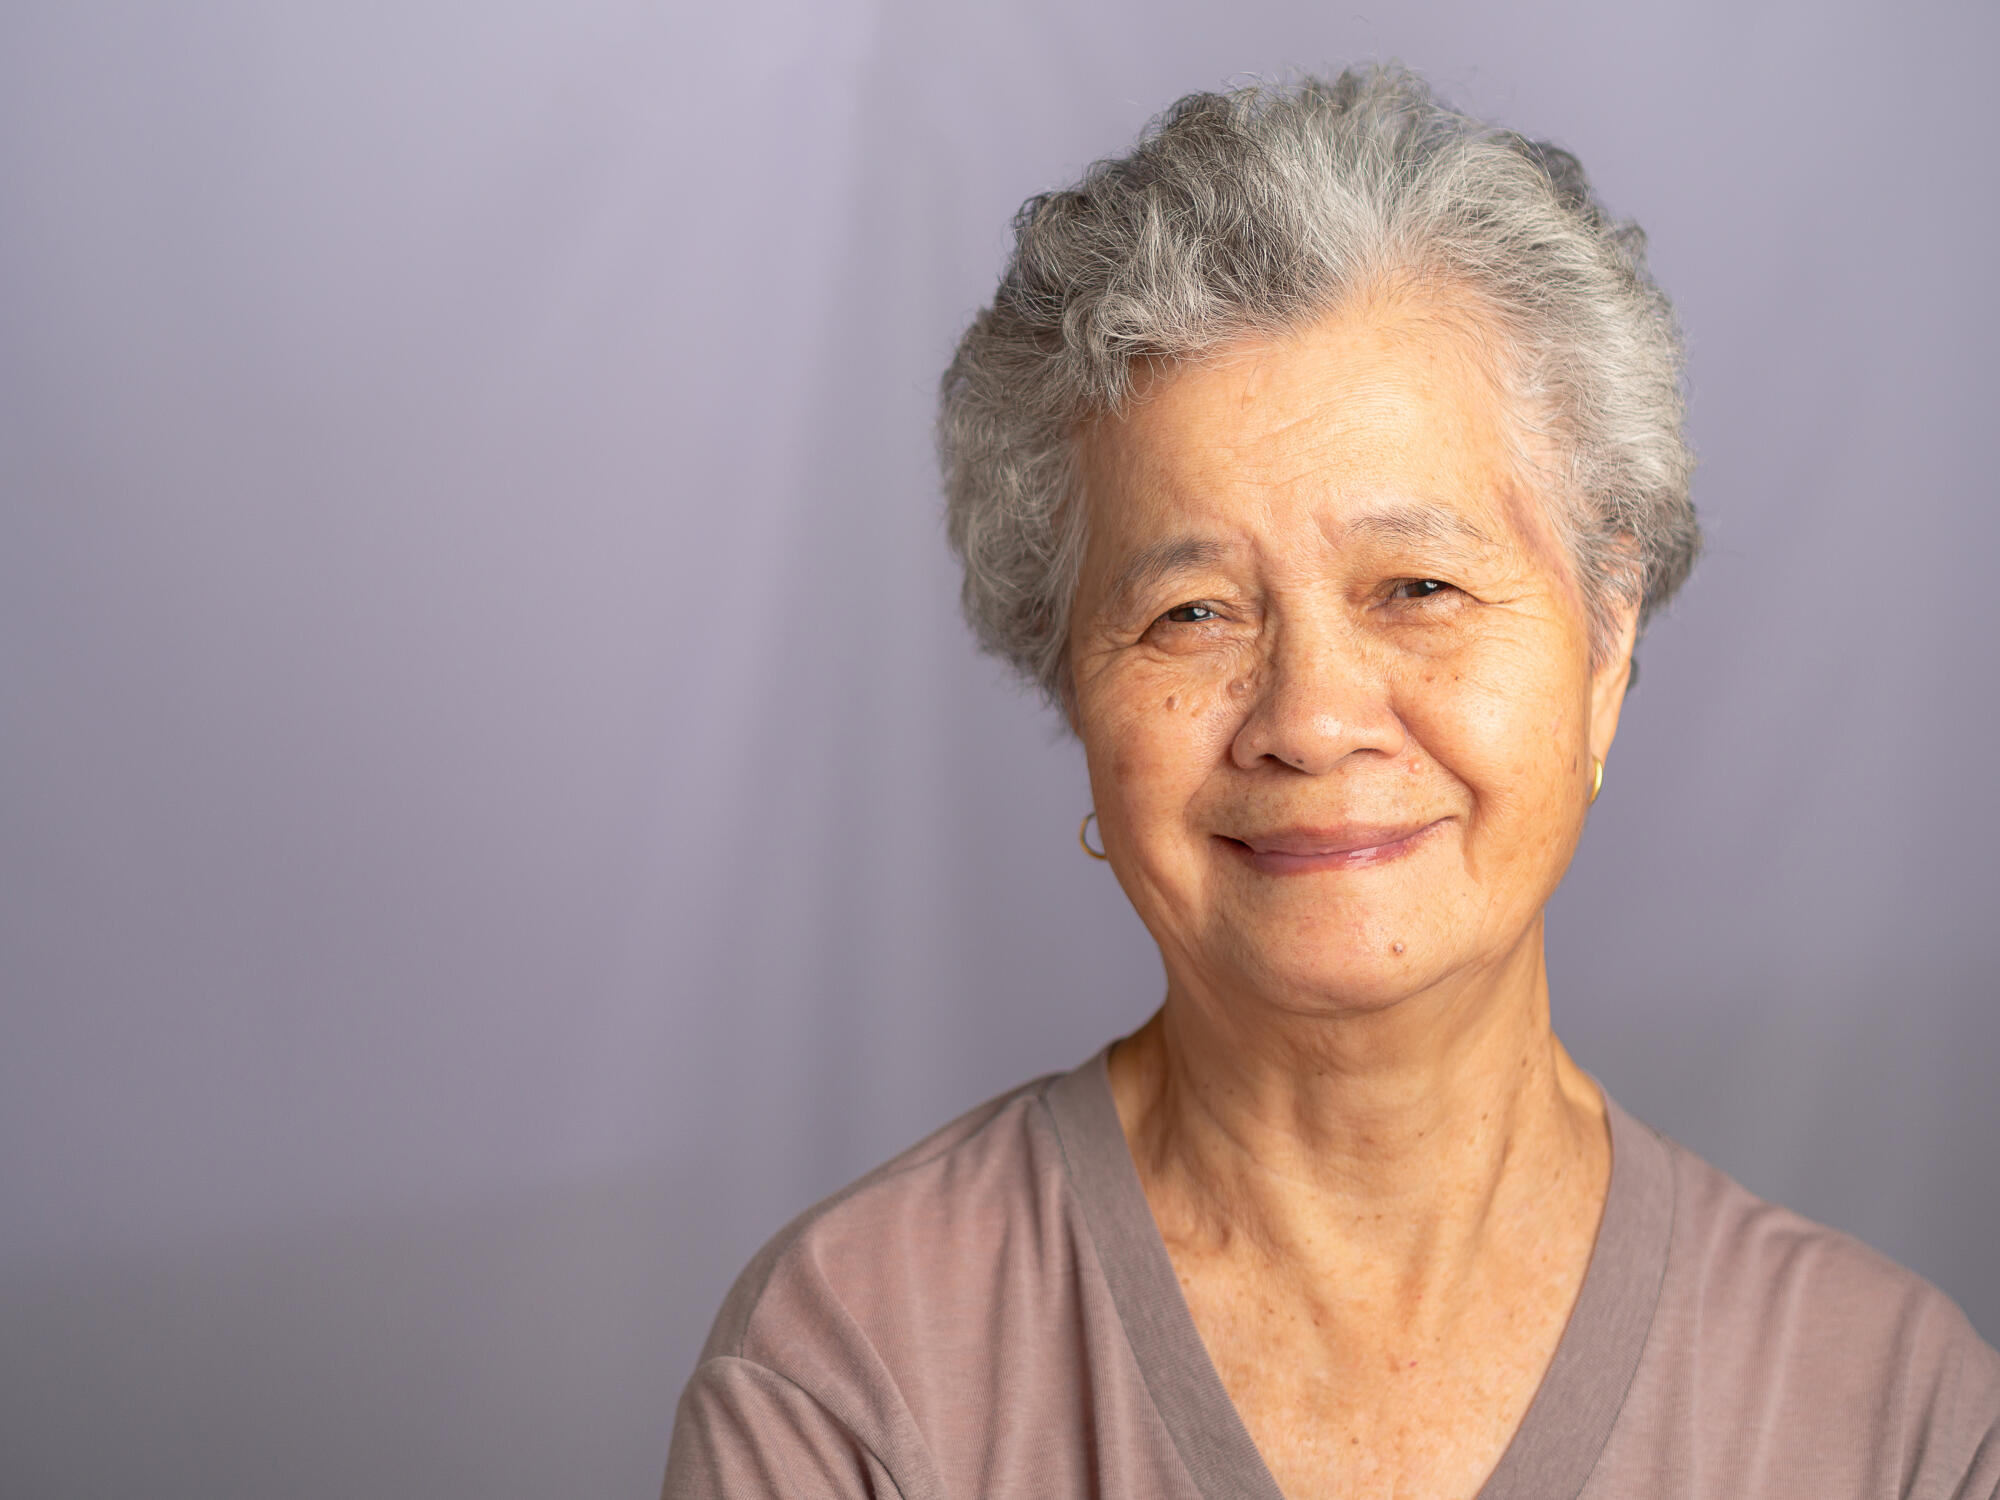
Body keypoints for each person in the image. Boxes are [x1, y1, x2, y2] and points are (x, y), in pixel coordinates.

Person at [665, 66, 2000, 1498]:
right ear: (1071, 681)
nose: (1309, 720)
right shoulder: (856, 1372)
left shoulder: (1895, 1415)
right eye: (1190, 613)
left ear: (1606, 642)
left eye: (1416, 585)